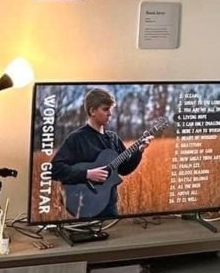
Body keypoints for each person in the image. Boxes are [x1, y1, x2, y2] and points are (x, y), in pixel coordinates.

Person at [50, 88, 153, 218]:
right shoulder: (76, 138)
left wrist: (139, 151)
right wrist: (87, 174)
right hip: (85, 207)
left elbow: (124, 169)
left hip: (110, 207)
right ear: (92, 111)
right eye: (105, 109)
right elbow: (54, 169)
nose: (110, 113)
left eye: (110, 109)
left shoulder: (113, 138)